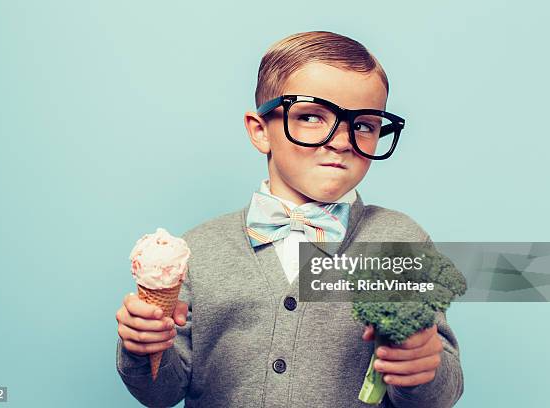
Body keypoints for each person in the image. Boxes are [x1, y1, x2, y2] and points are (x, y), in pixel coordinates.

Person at [115, 31, 464, 407]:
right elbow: (161, 393)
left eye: (363, 125)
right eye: (312, 116)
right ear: (261, 130)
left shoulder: (398, 239)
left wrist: (422, 367)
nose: (343, 141)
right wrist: (141, 348)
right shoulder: (197, 249)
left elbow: (439, 394)